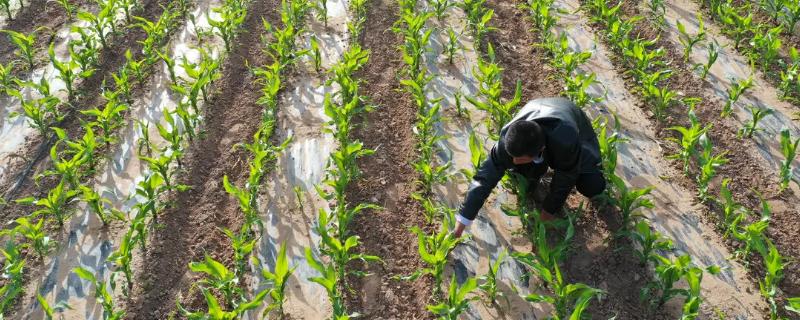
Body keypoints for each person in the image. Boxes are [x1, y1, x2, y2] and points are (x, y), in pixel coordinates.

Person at [452, 97, 606, 238]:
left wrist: (548, 211)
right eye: (512, 155)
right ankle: (535, 171)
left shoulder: (566, 139)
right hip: (536, 109)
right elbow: (483, 179)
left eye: (520, 158)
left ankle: (583, 170)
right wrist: (462, 222)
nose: (514, 160)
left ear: (541, 150)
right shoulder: (508, 140)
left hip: (569, 120)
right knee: (521, 172)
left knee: (592, 186)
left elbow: (566, 175)